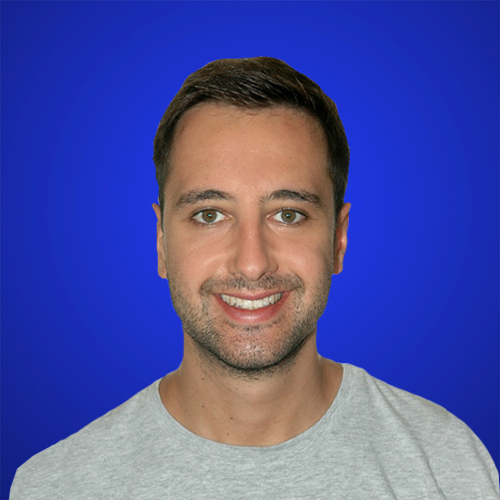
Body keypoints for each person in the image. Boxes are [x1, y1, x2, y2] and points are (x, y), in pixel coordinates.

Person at [10, 57, 499, 499]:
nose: (251, 263)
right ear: (161, 243)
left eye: (288, 214)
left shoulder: (449, 467)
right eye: (209, 215)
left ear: (338, 239)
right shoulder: (56, 486)